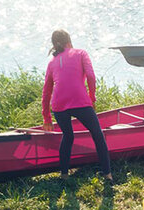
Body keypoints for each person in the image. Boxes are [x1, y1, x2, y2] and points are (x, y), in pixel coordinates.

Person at [41, 29, 112, 182]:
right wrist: (92, 98)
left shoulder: (52, 62)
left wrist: (46, 117)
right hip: (80, 101)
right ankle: (107, 175)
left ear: (54, 45)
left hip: (58, 105)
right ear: (69, 41)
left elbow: (46, 92)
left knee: (68, 136)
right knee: (97, 135)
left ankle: (64, 175)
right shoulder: (80, 53)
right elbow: (91, 76)